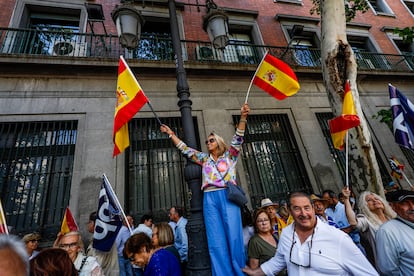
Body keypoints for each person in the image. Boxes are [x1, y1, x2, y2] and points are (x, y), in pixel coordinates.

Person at [160, 103, 250, 276]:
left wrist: (243, 118)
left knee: (234, 236)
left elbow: (238, 137)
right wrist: (171, 134)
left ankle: (240, 273)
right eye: (207, 141)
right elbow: (185, 149)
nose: (208, 143)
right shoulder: (204, 159)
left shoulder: (231, 156)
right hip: (209, 197)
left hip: (228, 195)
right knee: (216, 242)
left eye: (211, 140)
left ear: (219, 142)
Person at [242, 192, 378, 276]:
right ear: (289, 210)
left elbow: (366, 273)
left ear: (312, 208)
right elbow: (279, 261)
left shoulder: (337, 237)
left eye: (307, 208)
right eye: (297, 209)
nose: (303, 213)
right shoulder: (286, 234)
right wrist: (255, 272)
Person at [342, 187, 396, 269]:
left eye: (377, 198)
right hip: (389, 265)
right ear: (365, 206)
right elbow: (353, 222)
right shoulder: (366, 221)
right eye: (369, 200)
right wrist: (346, 199)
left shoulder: (393, 217)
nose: (375, 200)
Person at [375, 189, 414, 275]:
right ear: (393, 206)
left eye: (413, 202)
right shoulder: (387, 232)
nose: (412, 207)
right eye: (405, 203)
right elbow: (388, 270)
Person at [322, 189, 366, 254]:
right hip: (340, 249)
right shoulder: (326, 212)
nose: (324, 203)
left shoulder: (346, 209)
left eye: (326, 200)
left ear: (333, 199)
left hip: (354, 245)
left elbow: (355, 226)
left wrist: (341, 232)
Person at [86, 211, 120, 276]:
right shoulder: (106, 237)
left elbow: (96, 265)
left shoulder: (101, 241)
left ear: (95, 223)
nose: (88, 225)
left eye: (89, 222)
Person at [169, 206, 188, 271]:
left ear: (176, 215)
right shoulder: (181, 224)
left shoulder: (181, 227)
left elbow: (185, 246)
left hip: (183, 260)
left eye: (171, 214)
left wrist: (177, 257)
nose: (169, 215)